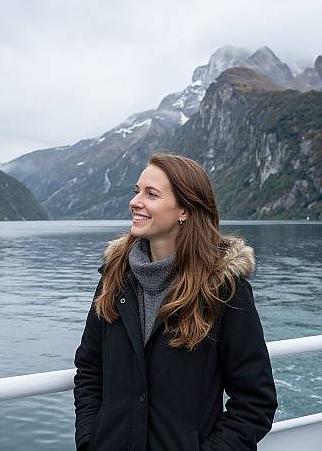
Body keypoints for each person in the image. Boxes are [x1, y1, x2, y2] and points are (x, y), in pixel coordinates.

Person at [73, 152, 277, 451]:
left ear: (184, 209)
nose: (135, 201)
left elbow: (255, 403)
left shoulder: (223, 289)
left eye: (151, 194)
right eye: (136, 191)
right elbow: (90, 369)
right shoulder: (115, 278)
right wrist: (90, 440)